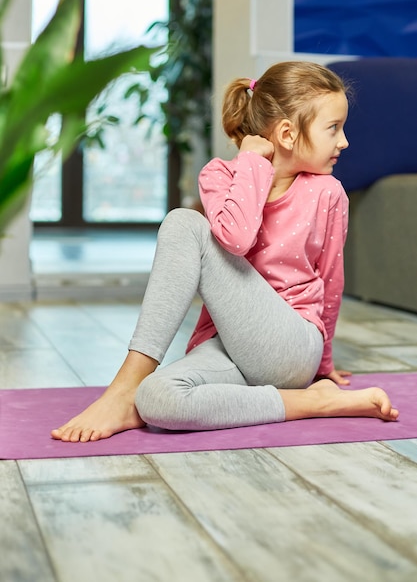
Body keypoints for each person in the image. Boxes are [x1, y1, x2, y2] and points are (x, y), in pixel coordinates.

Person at [51, 61, 398, 443]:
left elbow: (331, 278)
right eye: (333, 128)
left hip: (292, 346)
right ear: (286, 133)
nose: (344, 141)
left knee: (185, 222)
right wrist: (251, 164)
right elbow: (238, 237)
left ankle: (122, 386)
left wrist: (324, 362)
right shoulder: (219, 176)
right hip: (231, 346)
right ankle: (314, 403)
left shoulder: (327, 192)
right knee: (156, 400)